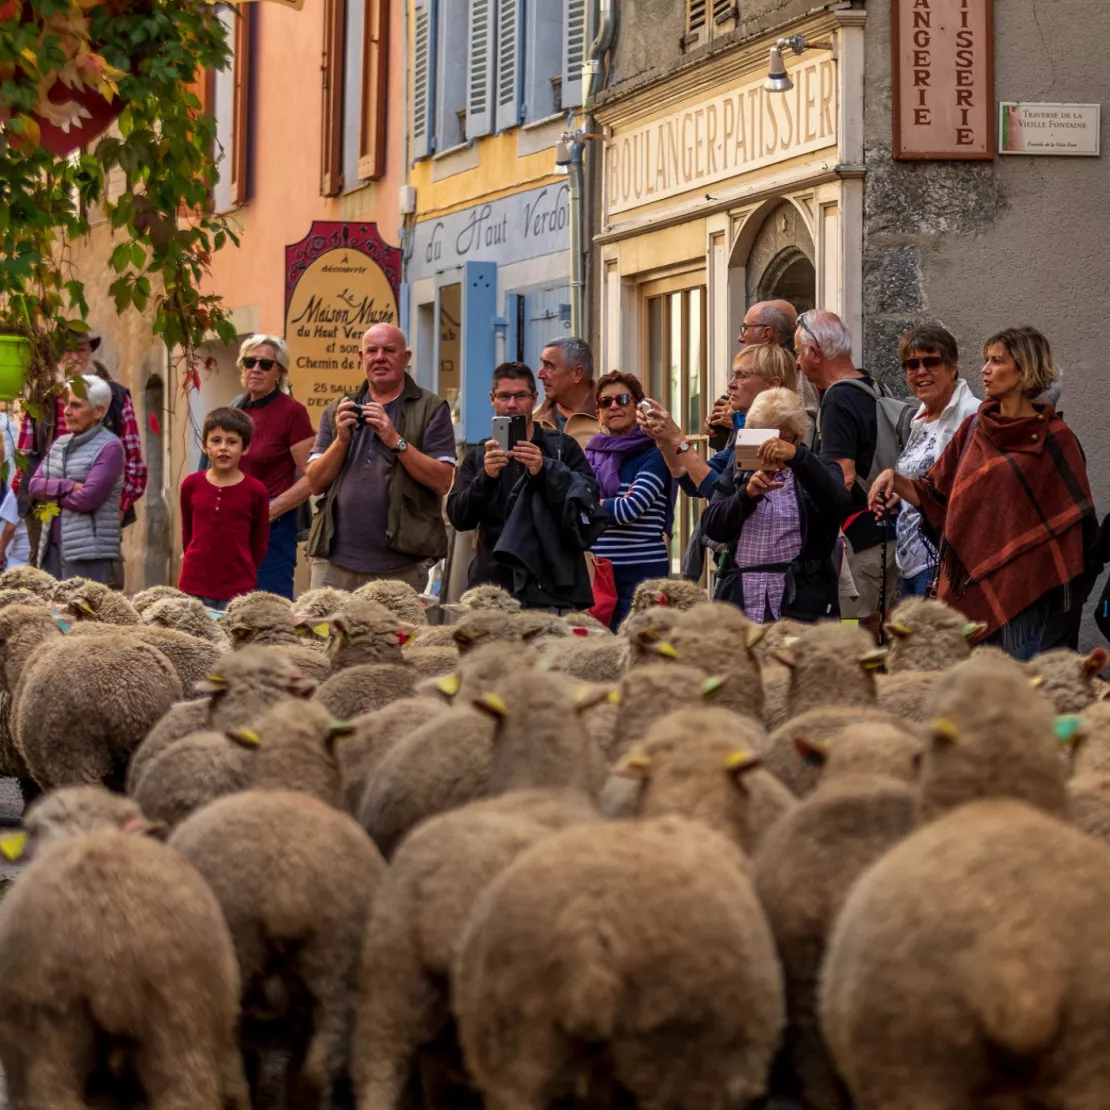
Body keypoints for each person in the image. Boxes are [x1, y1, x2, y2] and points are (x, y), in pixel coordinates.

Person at [870, 327, 1094, 660]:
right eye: (985, 360)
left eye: (997, 361)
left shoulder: (1055, 439)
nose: (985, 370)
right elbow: (935, 494)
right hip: (970, 586)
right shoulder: (975, 427)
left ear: (1025, 370)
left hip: (1027, 593)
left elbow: (1073, 525)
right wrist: (894, 479)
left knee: (1012, 691)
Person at [305, 324, 456, 592]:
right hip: (334, 564)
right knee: (323, 633)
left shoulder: (431, 408)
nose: (379, 357)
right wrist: (341, 441)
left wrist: (394, 439)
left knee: (395, 636)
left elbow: (442, 481)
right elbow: (315, 482)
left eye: (389, 350)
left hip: (401, 567)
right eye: (372, 351)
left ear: (406, 358)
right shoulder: (338, 408)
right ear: (360, 358)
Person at [447, 362, 600, 612]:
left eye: (520, 396)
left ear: (534, 398)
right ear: (492, 399)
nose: (512, 404)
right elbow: (460, 518)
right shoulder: (479, 456)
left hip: (550, 587)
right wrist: (486, 477)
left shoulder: (561, 447)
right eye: (504, 396)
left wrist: (545, 470)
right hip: (492, 588)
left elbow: (588, 501)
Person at [700, 388, 846, 621]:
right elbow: (712, 526)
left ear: (797, 437)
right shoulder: (739, 470)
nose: (771, 449)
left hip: (801, 600)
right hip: (743, 600)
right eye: (762, 438)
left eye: (780, 440)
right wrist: (747, 495)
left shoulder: (819, 467)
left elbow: (837, 504)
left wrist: (798, 458)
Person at [15, 330, 147, 585]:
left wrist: (119, 508)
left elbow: (134, 462)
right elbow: (24, 459)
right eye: (68, 350)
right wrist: (28, 508)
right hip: (46, 514)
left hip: (96, 515)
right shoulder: (40, 398)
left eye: (82, 350)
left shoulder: (115, 397)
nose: (75, 356)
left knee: (96, 594)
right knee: (49, 590)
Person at [795, 309, 894, 637]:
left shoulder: (837, 398)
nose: (797, 363)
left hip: (860, 543)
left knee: (859, 639)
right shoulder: (874, 385)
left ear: (815, 353)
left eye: (798, 353)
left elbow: (843, 476)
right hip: (890, 532)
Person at [890, 326, 980, 597]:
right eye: (911, 365)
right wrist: (899, 495)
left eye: (931, 361)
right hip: (909, 562)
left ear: (953, 367)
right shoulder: (918, 419)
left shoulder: (973, 416)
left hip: (947, 564)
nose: (920, 372)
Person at [223, 335, 315, 599]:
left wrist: (272, 509)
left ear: (280, 372)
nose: (255, 369)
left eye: (265, 364)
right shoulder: (235, 410)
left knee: (268, 608)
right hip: (232, 523)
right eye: (250, 362)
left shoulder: (292, 412)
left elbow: (314, 477)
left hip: (271, 529)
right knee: (229, 608)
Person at [642, 343, 799, 499]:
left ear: (773, 384)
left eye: (742, 376)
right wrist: (664, 442)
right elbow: (692, 482)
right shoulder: (746, 431)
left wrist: (677, 438)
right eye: (733, 376)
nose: (731, 385)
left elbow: (719, 495)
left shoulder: (770, 432)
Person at [584, 372, 675, 629]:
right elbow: (574, 509)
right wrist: (607, 504)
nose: (614, 406)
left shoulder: (654, 453)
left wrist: (597, 504)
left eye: (622, 399)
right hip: (601, 575)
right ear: (598, 411)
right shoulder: (590, 456)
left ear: (638, 406)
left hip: (644, 576)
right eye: (605, 402)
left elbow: (629, 509)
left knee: (643, 653)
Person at [27, 375, 124, 584]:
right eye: (66, 404)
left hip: (89, 553)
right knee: (54, 614)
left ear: (98, 411)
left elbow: (87, 499)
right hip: (51, 549)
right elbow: (34, 486)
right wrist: (69, 486)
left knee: (83, 613)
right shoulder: (60, 443)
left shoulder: (110, 447)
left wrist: (53, 494)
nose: (67, 411)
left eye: (76, 405)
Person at [179, 407, 270, 610]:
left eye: (232, 442)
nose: (223, 448)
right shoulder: (191, 485)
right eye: (216, 440)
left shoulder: (256, 490)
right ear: (205, 446)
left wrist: (243, 571)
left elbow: (259, 542)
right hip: (195, 584)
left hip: (238, 589)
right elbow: (188, 534)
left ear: (245, 448)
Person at [705, 300, 801, 450]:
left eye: (745, 329)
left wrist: (741, 422)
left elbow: (801, 431)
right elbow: (719, 469)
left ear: (767, 334)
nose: (740, 337)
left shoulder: (798, 372)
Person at [533, 336, 600, 448]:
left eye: (549, 366)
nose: (540, 375)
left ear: (577, 374)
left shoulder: (612, 415)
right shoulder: (535, 421)